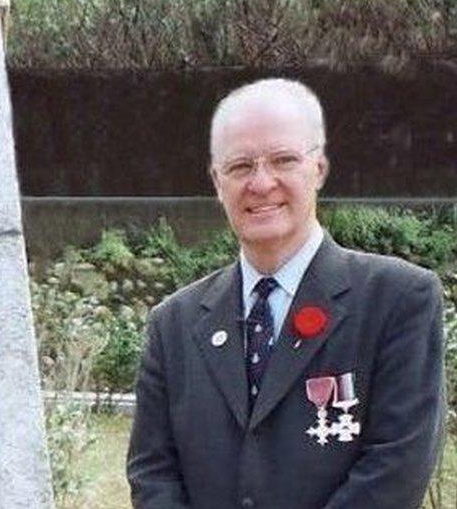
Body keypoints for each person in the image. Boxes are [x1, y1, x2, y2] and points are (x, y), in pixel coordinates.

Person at [126, 78, 445, 509]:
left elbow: (397, 465)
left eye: (283, 160)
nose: (261, 183)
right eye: (240, 166)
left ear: (318, 169)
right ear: (217, 182)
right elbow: (153, 473)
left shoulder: (398, 300)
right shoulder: (174, 324)